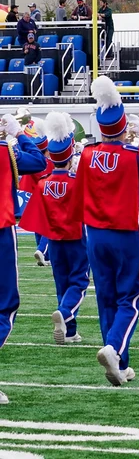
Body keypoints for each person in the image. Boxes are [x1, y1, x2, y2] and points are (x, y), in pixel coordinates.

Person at [78, 76, 139, 386]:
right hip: (126, 232)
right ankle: (114, 348)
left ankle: (120, 363)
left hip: (96, 234)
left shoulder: (88, 154)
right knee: (129, 298)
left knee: (106, 297)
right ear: (123, 127)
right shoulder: (133, 156)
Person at [19, 112, 88, 347]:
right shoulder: (77, 181)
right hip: (76, 239)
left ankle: (69, 331)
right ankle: (66, 312)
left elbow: (36, 214)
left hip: (55, 241)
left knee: (62, 283)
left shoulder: (43, 183)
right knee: (78, 282)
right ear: (69, 157)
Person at [0, 110, 47, 402]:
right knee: (6, 304)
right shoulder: (6, 151)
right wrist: (17, 134)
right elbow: (40, 160)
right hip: (1, 230)